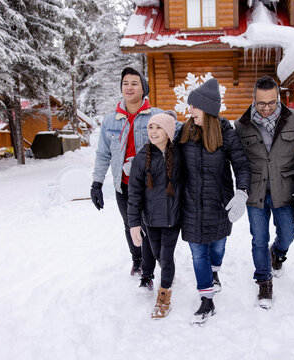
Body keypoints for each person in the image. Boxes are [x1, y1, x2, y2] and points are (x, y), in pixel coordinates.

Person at [176, 78, 250, 325]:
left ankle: (215, 272)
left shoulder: (225, 133)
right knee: (198, 254)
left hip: (219, 205)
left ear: (207, 109)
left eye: (194, 107)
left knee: (217, 248)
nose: (190, 111)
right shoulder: (184, 131)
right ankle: (207, 299)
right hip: (191, 206)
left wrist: (242, 192)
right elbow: (163, 152)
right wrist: (141, 163)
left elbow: (241, 164)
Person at [234, 76, 294, 310]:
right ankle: (264, 281)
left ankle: (277, 252)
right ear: (253, 99)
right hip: (255, 192)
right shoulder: (241, 124)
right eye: (261, 103)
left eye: (272, 103)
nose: (267, 108)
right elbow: (235, 157)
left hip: (284, 188)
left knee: (287, 234)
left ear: (279, 98)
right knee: (258, 240)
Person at [91, 66, 162, 282]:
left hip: (150, 185)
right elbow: (103, 154)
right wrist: (97, 183)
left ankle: (153, 265)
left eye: (134, 83)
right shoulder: (110, 121)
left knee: (150, 225)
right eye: (125, 83)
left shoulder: (156, 116)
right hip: (123, 185)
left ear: (144, 88)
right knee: (130, 225)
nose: (129, 87)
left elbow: (176, 142)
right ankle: (137, 259)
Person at [127, 111, 181, 319]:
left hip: (173, 219)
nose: (153, 131)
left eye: (159, 127)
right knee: (159, 254)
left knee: (165, 258)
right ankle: (169, 269)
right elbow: (134, 193)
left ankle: (164, 295)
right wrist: (133, 224)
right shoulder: (141, 158)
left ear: (168, 131)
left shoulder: (179, 155)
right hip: (150, 219)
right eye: (150, 127)